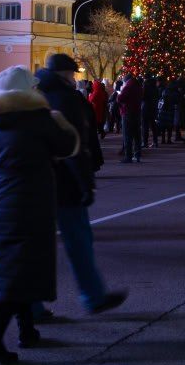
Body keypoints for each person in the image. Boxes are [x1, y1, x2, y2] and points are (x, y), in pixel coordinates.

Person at [0, 66, 79, 365]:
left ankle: (26, 329)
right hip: (28, 198)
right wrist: (60, 122)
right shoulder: (38, 118)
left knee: (16, 265)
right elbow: (68, 146)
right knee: (20, 269)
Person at [35, 55, 126, 315]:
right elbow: (74, 146)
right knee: (79, 241)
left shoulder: (36, 96)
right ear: (65, 74)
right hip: (66, 183)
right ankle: (93, 295)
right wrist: (86, 182)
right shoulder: (66, 100)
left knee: (38, 245)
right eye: (72, 74)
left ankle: (31, 307)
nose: (75, 78)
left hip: (39, 181)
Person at [117, 73, 143, 163]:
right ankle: (137, 154)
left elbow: (120, 98)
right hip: (137, 112)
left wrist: (120, 94)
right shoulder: (138, 86)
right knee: (137, 135)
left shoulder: (128, 87)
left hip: (127, 112)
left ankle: (128, 156)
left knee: (127, 134)